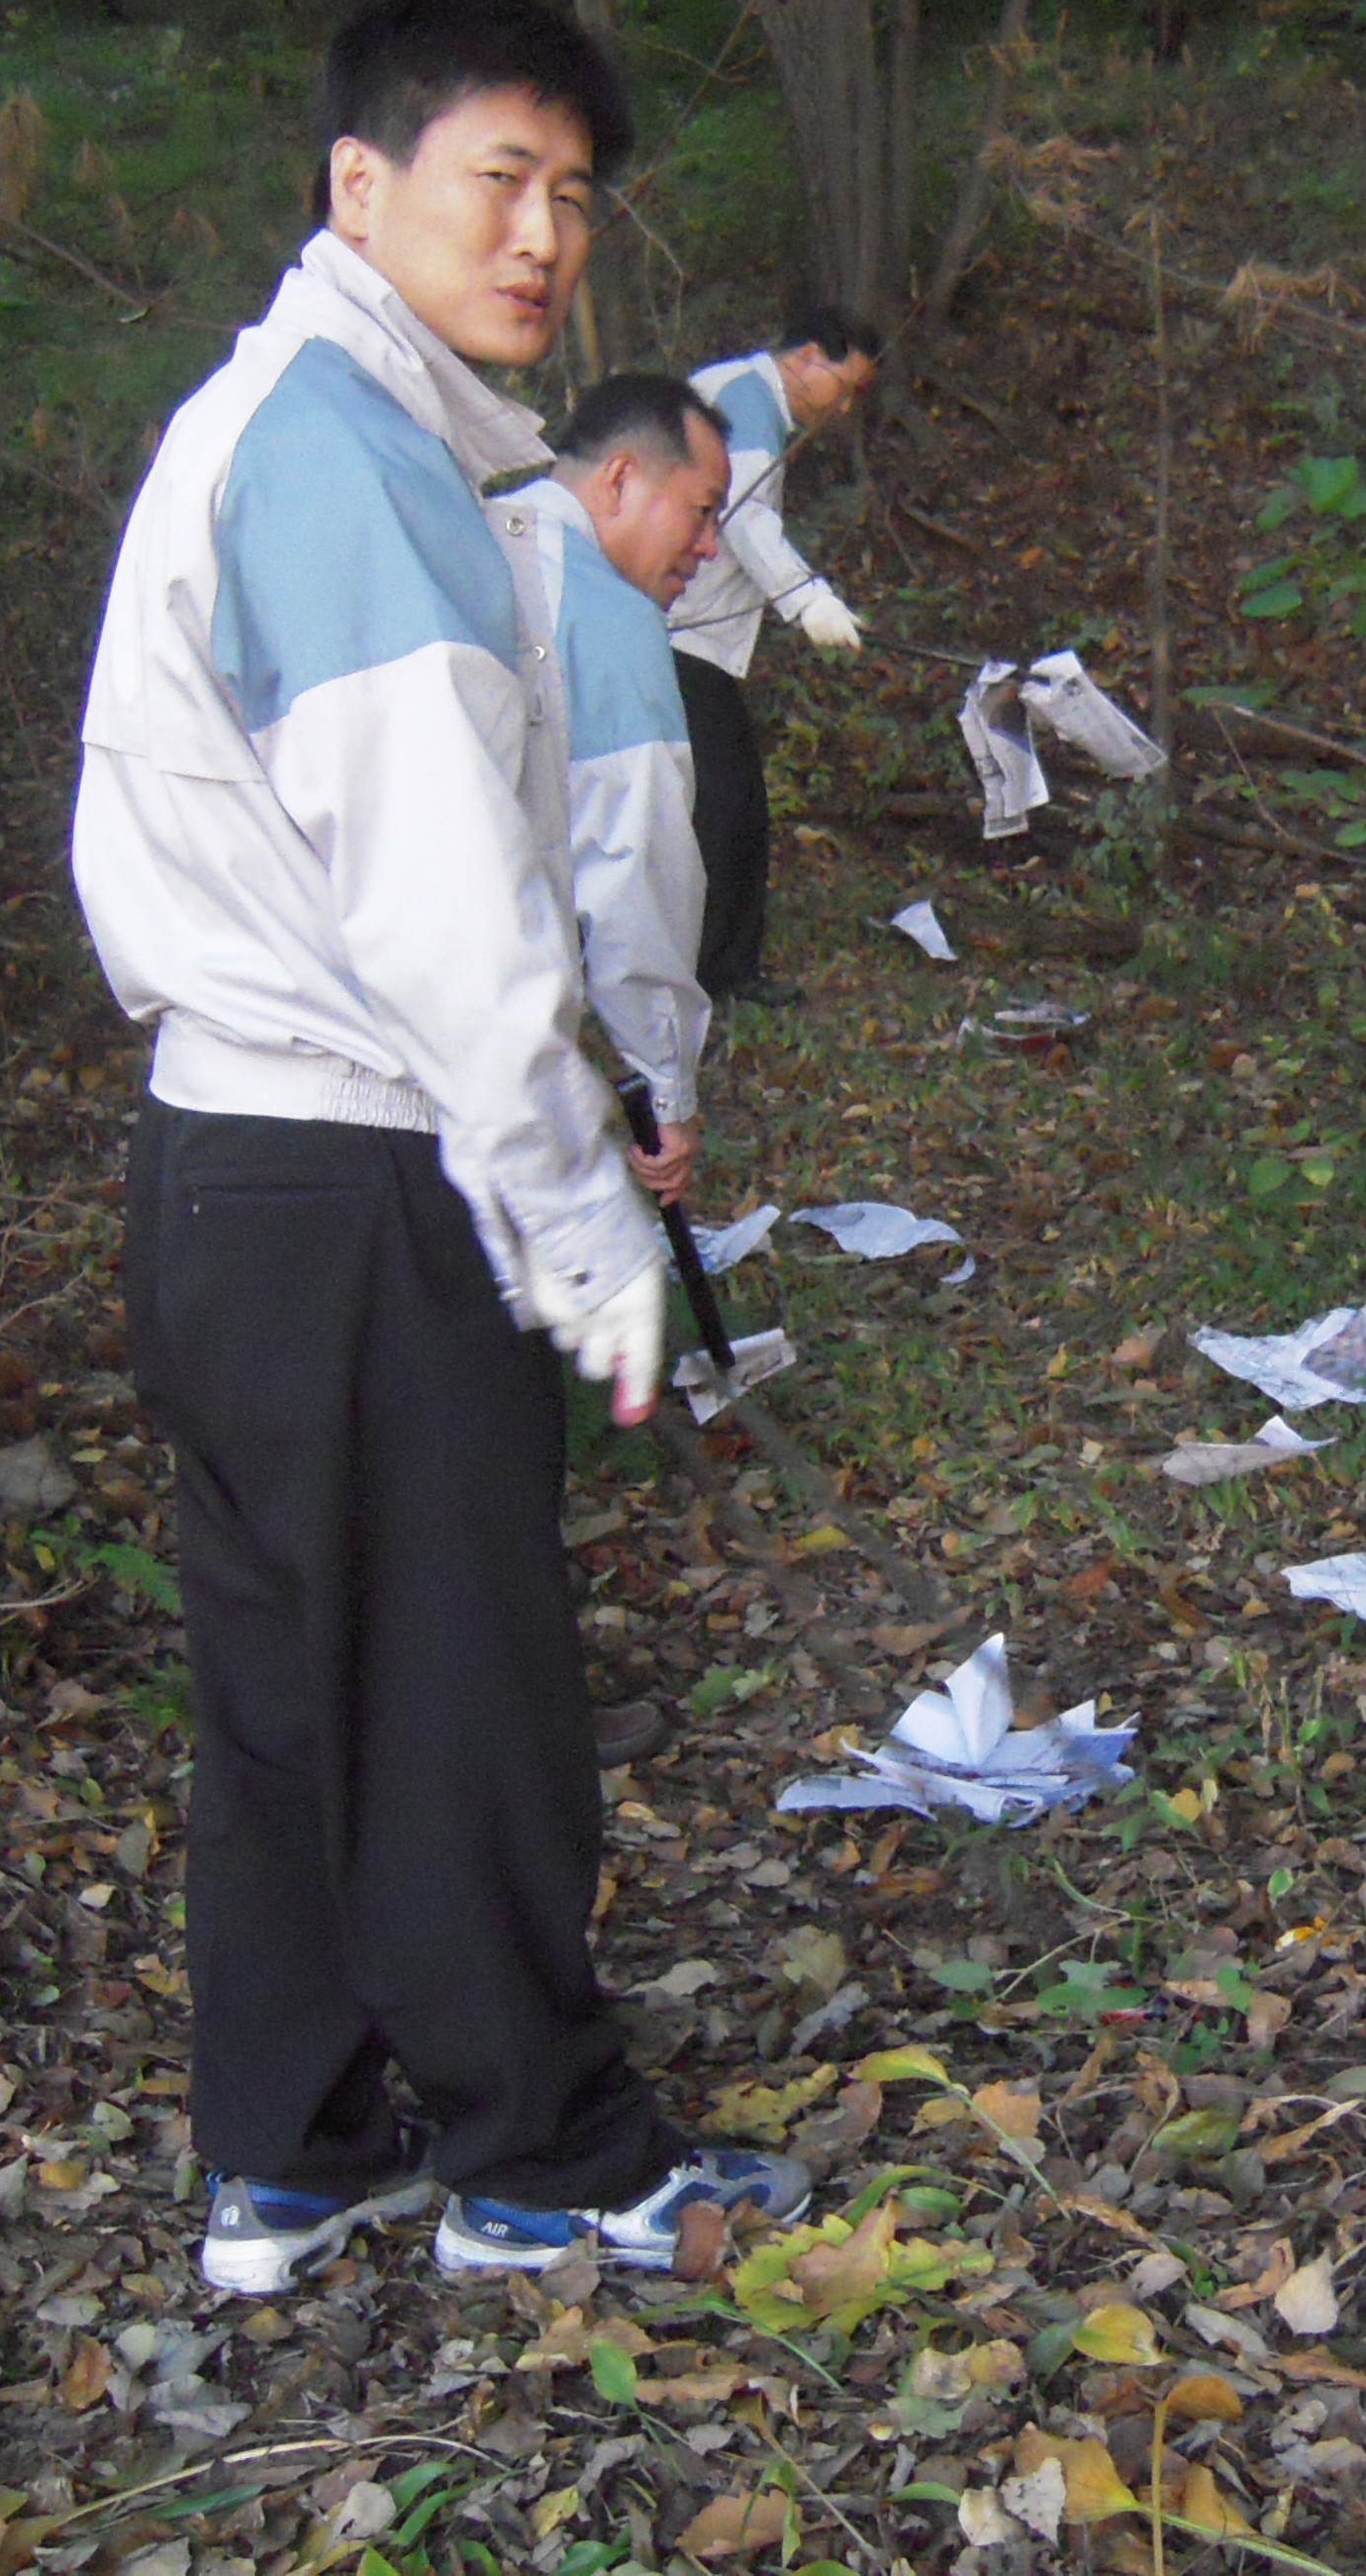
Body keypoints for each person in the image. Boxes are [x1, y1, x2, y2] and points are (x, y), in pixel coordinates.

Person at [73, 0, 809, 2299]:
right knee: (463, 1676)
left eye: (574, 194)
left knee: (291, 1682)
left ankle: (293, 2143)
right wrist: (581, 1219)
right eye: (500, 177)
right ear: (360, 183)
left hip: (226, 1167)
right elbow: (444, 899)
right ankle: (541, 2158)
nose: (544, 234)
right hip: (357, 1158)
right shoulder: (340, 444)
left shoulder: (323, 422)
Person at [510, 369, 732, 1768]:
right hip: (475, 1066)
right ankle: (519, 1715)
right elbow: (634, 895)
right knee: (493, 1410)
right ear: (620, 485)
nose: (706, 549)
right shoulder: (610, 627)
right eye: (699, 514)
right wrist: (668, 1094)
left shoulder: (462, 536)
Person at [667, 309, 884, 1006]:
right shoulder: (748, 402)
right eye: (844, 387)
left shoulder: (738, 395)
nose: (844, 408)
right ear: (808, 356)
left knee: (714, 802)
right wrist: (809, 601)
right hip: (678, 634)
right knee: (731, 807)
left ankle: (708, 964)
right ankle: (721, 974)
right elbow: (747, 516)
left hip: (690, 632)